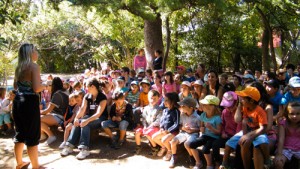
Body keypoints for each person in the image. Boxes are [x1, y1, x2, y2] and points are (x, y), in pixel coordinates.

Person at [12, 43, 46, 169]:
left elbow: (16, 87)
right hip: (29, 103)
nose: (36, 52)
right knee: (32, 135)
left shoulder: (18, 68)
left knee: (20, 134)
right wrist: (46, 85)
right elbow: (37, 88)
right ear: (29, 53)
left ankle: (19, 163)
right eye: (35, 50)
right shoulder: (33, 66)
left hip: (18, 101)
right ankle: (36, 166)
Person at [220, 86, 269, 169]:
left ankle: (268, 160)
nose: (241, 101)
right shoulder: (245, 108)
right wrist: (245, 135)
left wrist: (250, 136)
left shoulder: (260, 111)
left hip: (258, 132)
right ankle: (225, 163)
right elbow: (242, 122)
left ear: (251, 100)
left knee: (262, 141)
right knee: (229, 143)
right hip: (248, 130)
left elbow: (263, 128)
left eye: (243, 99)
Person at [61, 78, 108, 160]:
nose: (86, 89)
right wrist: (76, 118)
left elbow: (98, 113)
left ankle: (84, 149)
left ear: (93, 86)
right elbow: (82, 109)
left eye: (87, 87)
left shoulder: (102, 97)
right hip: (89, 116)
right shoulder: (87, 96)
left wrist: (87, 120)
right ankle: (69, 146)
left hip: (100, 118)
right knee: (79, 122)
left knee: (85, 124)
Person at [187, 95, 221, 169]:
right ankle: (198, 162)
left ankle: (210, 164)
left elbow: (219, 132)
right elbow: (202, 127)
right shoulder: (203, 115)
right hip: (205, 136)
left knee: (205, 149)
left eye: (205, 105)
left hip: (214, 137)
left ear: (211, 107)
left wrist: (211, 128)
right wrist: (201, 129)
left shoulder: (217, 118)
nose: (202, 106)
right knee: (191, 144)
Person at [169, 97, 201, 168]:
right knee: (173, 141)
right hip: (184, 132)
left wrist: (192, 130)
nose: (181, 107)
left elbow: (200, 129)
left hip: (193, 134)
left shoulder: (198, 117)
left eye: (183, 106)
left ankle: (192, 157)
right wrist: (183, 128)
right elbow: (180, 126)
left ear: (191, 107)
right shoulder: (182, 115)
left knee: (187, 144)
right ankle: (174, 157)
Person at [213, 91, 241, 168]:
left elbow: (239, 129)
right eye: (226, 106)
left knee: (238, 148)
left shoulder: (239, 113)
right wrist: (222, 132)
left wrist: (233, 138)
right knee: (215, 144)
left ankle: (233, 165)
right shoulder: (224, 112)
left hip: (236, 137)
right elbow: (222, 124)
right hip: (226, 135)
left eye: (230, 106)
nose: (227, 108)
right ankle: (217, 162)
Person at [40, 77, 69, 145]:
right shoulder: (64, 92)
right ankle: (42, 134)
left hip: (59, 116)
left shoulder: (57, 94)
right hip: (60, 115)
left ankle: (51, 136)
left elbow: (48, 110)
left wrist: (40, 112)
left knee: (37, 118)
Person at [152, 92, 180, 161]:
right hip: (164, 130)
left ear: (173, 101)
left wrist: (168, 131)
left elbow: (176, 124)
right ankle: (164, 147)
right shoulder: (165, 110)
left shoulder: (176, 111)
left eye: (166, 100)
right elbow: (162, 121)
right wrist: (161, 128)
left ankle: (169, 151)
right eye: (164, 100)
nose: (164, 102)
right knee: (154, 137)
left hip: (173, 132)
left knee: (164, 139)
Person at [134, 90, 162, 155]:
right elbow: (143, 118)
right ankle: (138, 146)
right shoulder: (146, 108)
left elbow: (158, 120)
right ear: (148, 98)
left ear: (158, 98)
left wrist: (150, 126)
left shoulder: (159, 109)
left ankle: (155, 147)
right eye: (151, 98)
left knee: (148, 132)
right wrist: (145, 126)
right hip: (146, 126)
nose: (152, 100)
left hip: (155, 127)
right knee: (137, 132)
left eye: (155, 98)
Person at [274, 102, 300, 169]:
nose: (295, 116)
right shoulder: (283, 123)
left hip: (299, 148)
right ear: (287, 114)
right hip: (286, 148)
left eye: (298, 114)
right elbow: (281, 139)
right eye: (292, 114)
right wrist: (279, 154)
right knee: (278, 162)